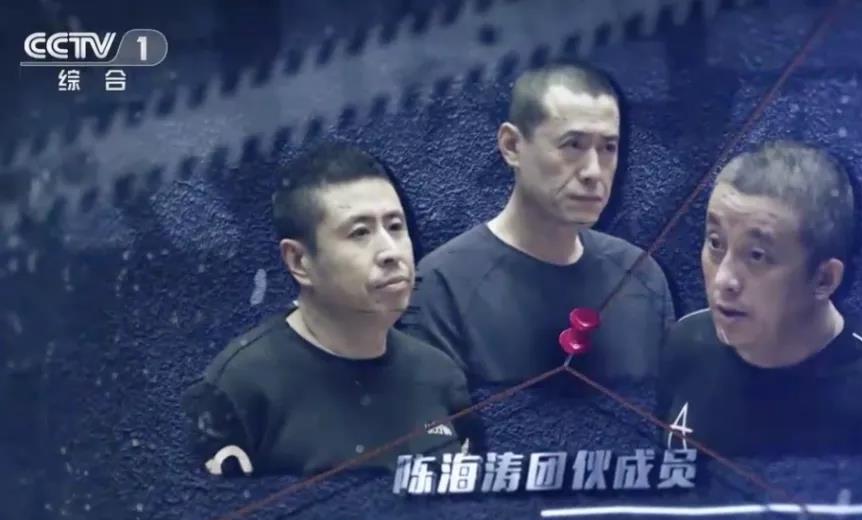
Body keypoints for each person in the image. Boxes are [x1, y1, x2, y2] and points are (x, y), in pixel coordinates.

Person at [181, 143, 482, 477]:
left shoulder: (441, 376)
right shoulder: (240, 389)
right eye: (360, 233)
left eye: (396, 227)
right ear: (300, 261)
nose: (391, 252)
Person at [400, 61, 674, 388]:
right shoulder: (442, 287)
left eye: (608, 148)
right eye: (573, 145)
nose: (593, 171)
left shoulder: (641, 278)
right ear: (512, 146)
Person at [662, 141, 862, 458]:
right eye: (715, 243)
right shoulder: (686, 344)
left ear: (824, 280)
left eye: (757, 255)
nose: (723, 280)